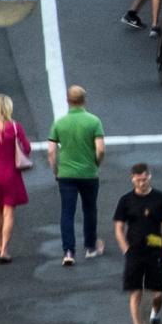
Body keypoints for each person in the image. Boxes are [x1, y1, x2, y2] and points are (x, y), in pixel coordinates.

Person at [113, 163, 162, 324]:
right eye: (138, 180)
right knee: (135, 293)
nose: (142, 183)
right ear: (132, 179)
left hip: (155, 252)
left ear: (149, 177)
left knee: (158, 293)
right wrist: (126, 250)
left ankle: (154, 314)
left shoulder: (160, 198)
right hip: (135, 253)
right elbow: (118, 227)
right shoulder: (125, 201)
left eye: (144, 179)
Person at [48, 85, 106, 267]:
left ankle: (68, 251)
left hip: (66, 174)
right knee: (89, 209)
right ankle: (90, 247)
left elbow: (51, 151)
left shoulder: (59, 123)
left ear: (68, 100)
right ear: (84, 100)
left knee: (67, 212)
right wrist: (96, 163)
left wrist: (55, 170)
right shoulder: (94, 121)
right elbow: (101, 149)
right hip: (89, 173)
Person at [0, 94, 31, 263]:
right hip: (11, 174)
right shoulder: (15, 127)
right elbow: (27, 148)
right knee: (8, 211)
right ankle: (5, 250)